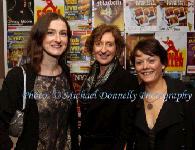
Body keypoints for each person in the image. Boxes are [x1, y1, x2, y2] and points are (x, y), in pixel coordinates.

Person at [0, 12, 78, 150]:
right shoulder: (19, 76)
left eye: (63, 33)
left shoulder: (65, 72)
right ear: (39, 36)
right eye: (51, 32)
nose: (58, 39)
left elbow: (70, 122)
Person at [127, 38, 195, 150]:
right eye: (139, 62)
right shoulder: (132, 98)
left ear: (163, 64)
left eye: (151, 61)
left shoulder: (186, 95)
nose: (145, 66)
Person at [79, 24, 138, 150]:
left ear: (116, 48)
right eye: (99, 44)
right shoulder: (91, 75)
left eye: (109, 44)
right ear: (92, 47)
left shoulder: (127, 80)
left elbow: (126, 128)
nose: (103, 50)